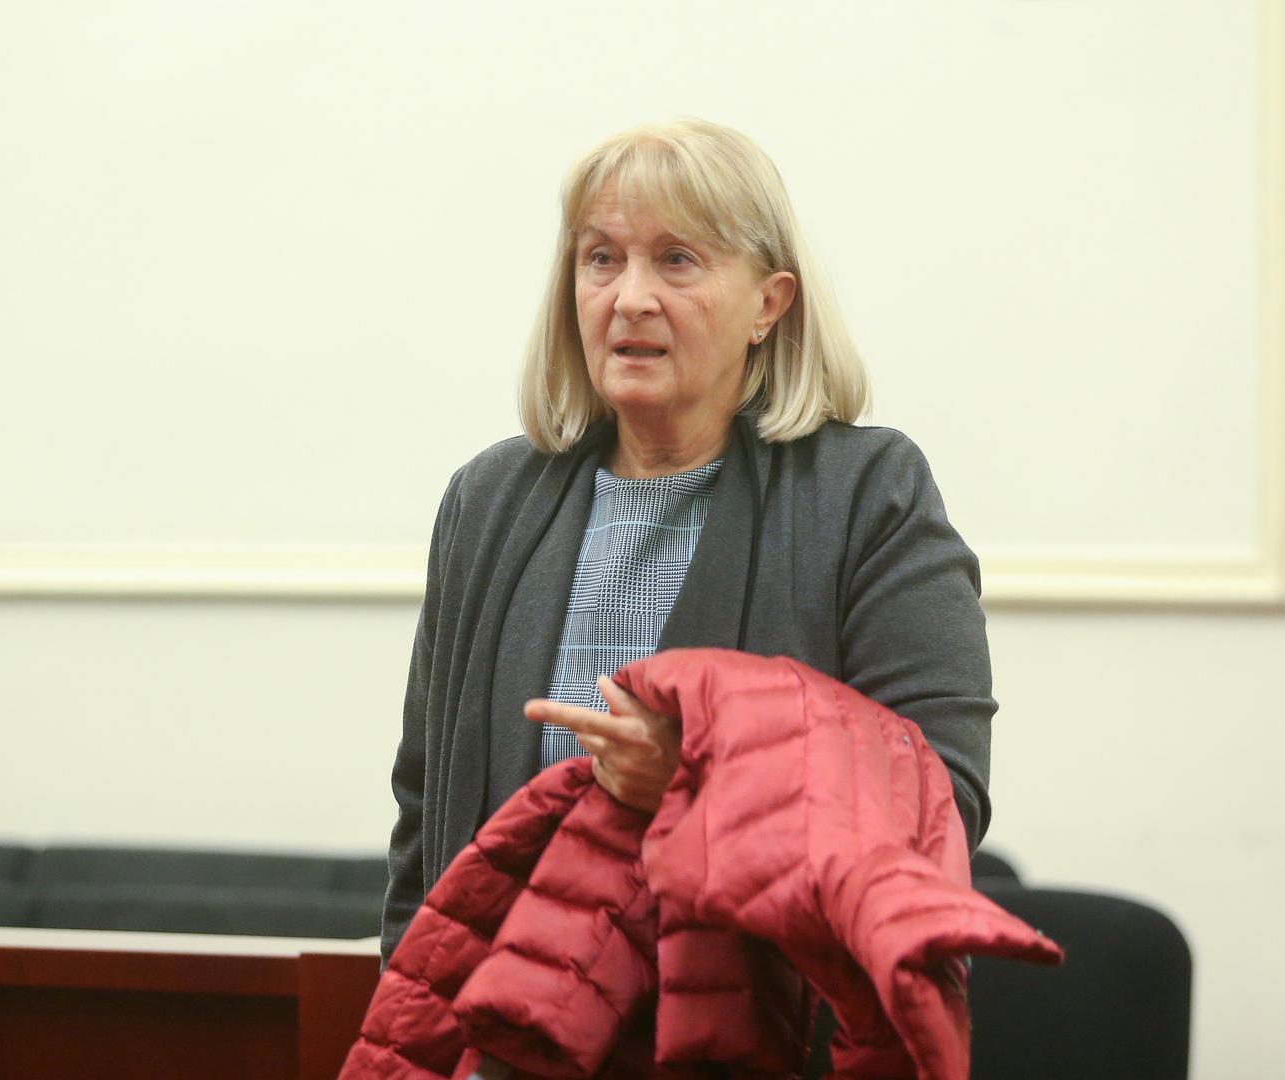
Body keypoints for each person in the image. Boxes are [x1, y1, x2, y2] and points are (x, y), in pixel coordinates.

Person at [381, 118, 995, 970]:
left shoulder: (865, 495)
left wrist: (702, 782)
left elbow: (941, 801)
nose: (630, 297)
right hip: (505, 1022)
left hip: (760, 1021)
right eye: (602, 258)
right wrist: (411, 1008)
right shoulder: (489, 502)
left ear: (768, 304)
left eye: (677, 260)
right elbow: (424, 812)